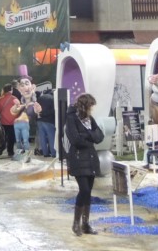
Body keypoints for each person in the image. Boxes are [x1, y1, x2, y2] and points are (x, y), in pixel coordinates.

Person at [64, 93, 104, 236]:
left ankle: (86, 224)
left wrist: (87, 135)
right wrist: (90, 135)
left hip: (91, 158)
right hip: (78, 158)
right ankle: (76, 223)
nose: (91, 110)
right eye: (90, 106)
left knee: (88, 192)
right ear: (85, 106)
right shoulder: (71, 118)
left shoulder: (90, 119)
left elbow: (100, 136)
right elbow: (75, 139)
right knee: (84, 190)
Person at [11, 76, 41, 158]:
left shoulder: (34, 104)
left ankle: (26, 156)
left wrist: (38, 110)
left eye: (27, 84)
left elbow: (38, 112)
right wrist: (16, 105)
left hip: (27, 126)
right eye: (22, 85)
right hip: (17, 124)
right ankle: (19, 155)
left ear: (32, 87)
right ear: (19, 89)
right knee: (18, 141)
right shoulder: (22, 105)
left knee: (25, 141)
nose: (25, 88)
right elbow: (13, 111)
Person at [0, 84, 17, 157]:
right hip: (12, 122)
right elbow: (19, 109)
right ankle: (10, 152)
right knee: (11, 137)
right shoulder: (14, 99)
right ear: (11, 90)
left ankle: (2, 148)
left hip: (3, 121)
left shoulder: (0, 99)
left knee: (3, 136)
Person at [36, 87, 56, 158]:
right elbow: (53, 111)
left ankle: (45, 153)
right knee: (51, 137)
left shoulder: (40, 98)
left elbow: (36, 109)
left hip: (39, 120)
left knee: (42, 137)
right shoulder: (53, 99)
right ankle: (53, 153)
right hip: (49, 121)